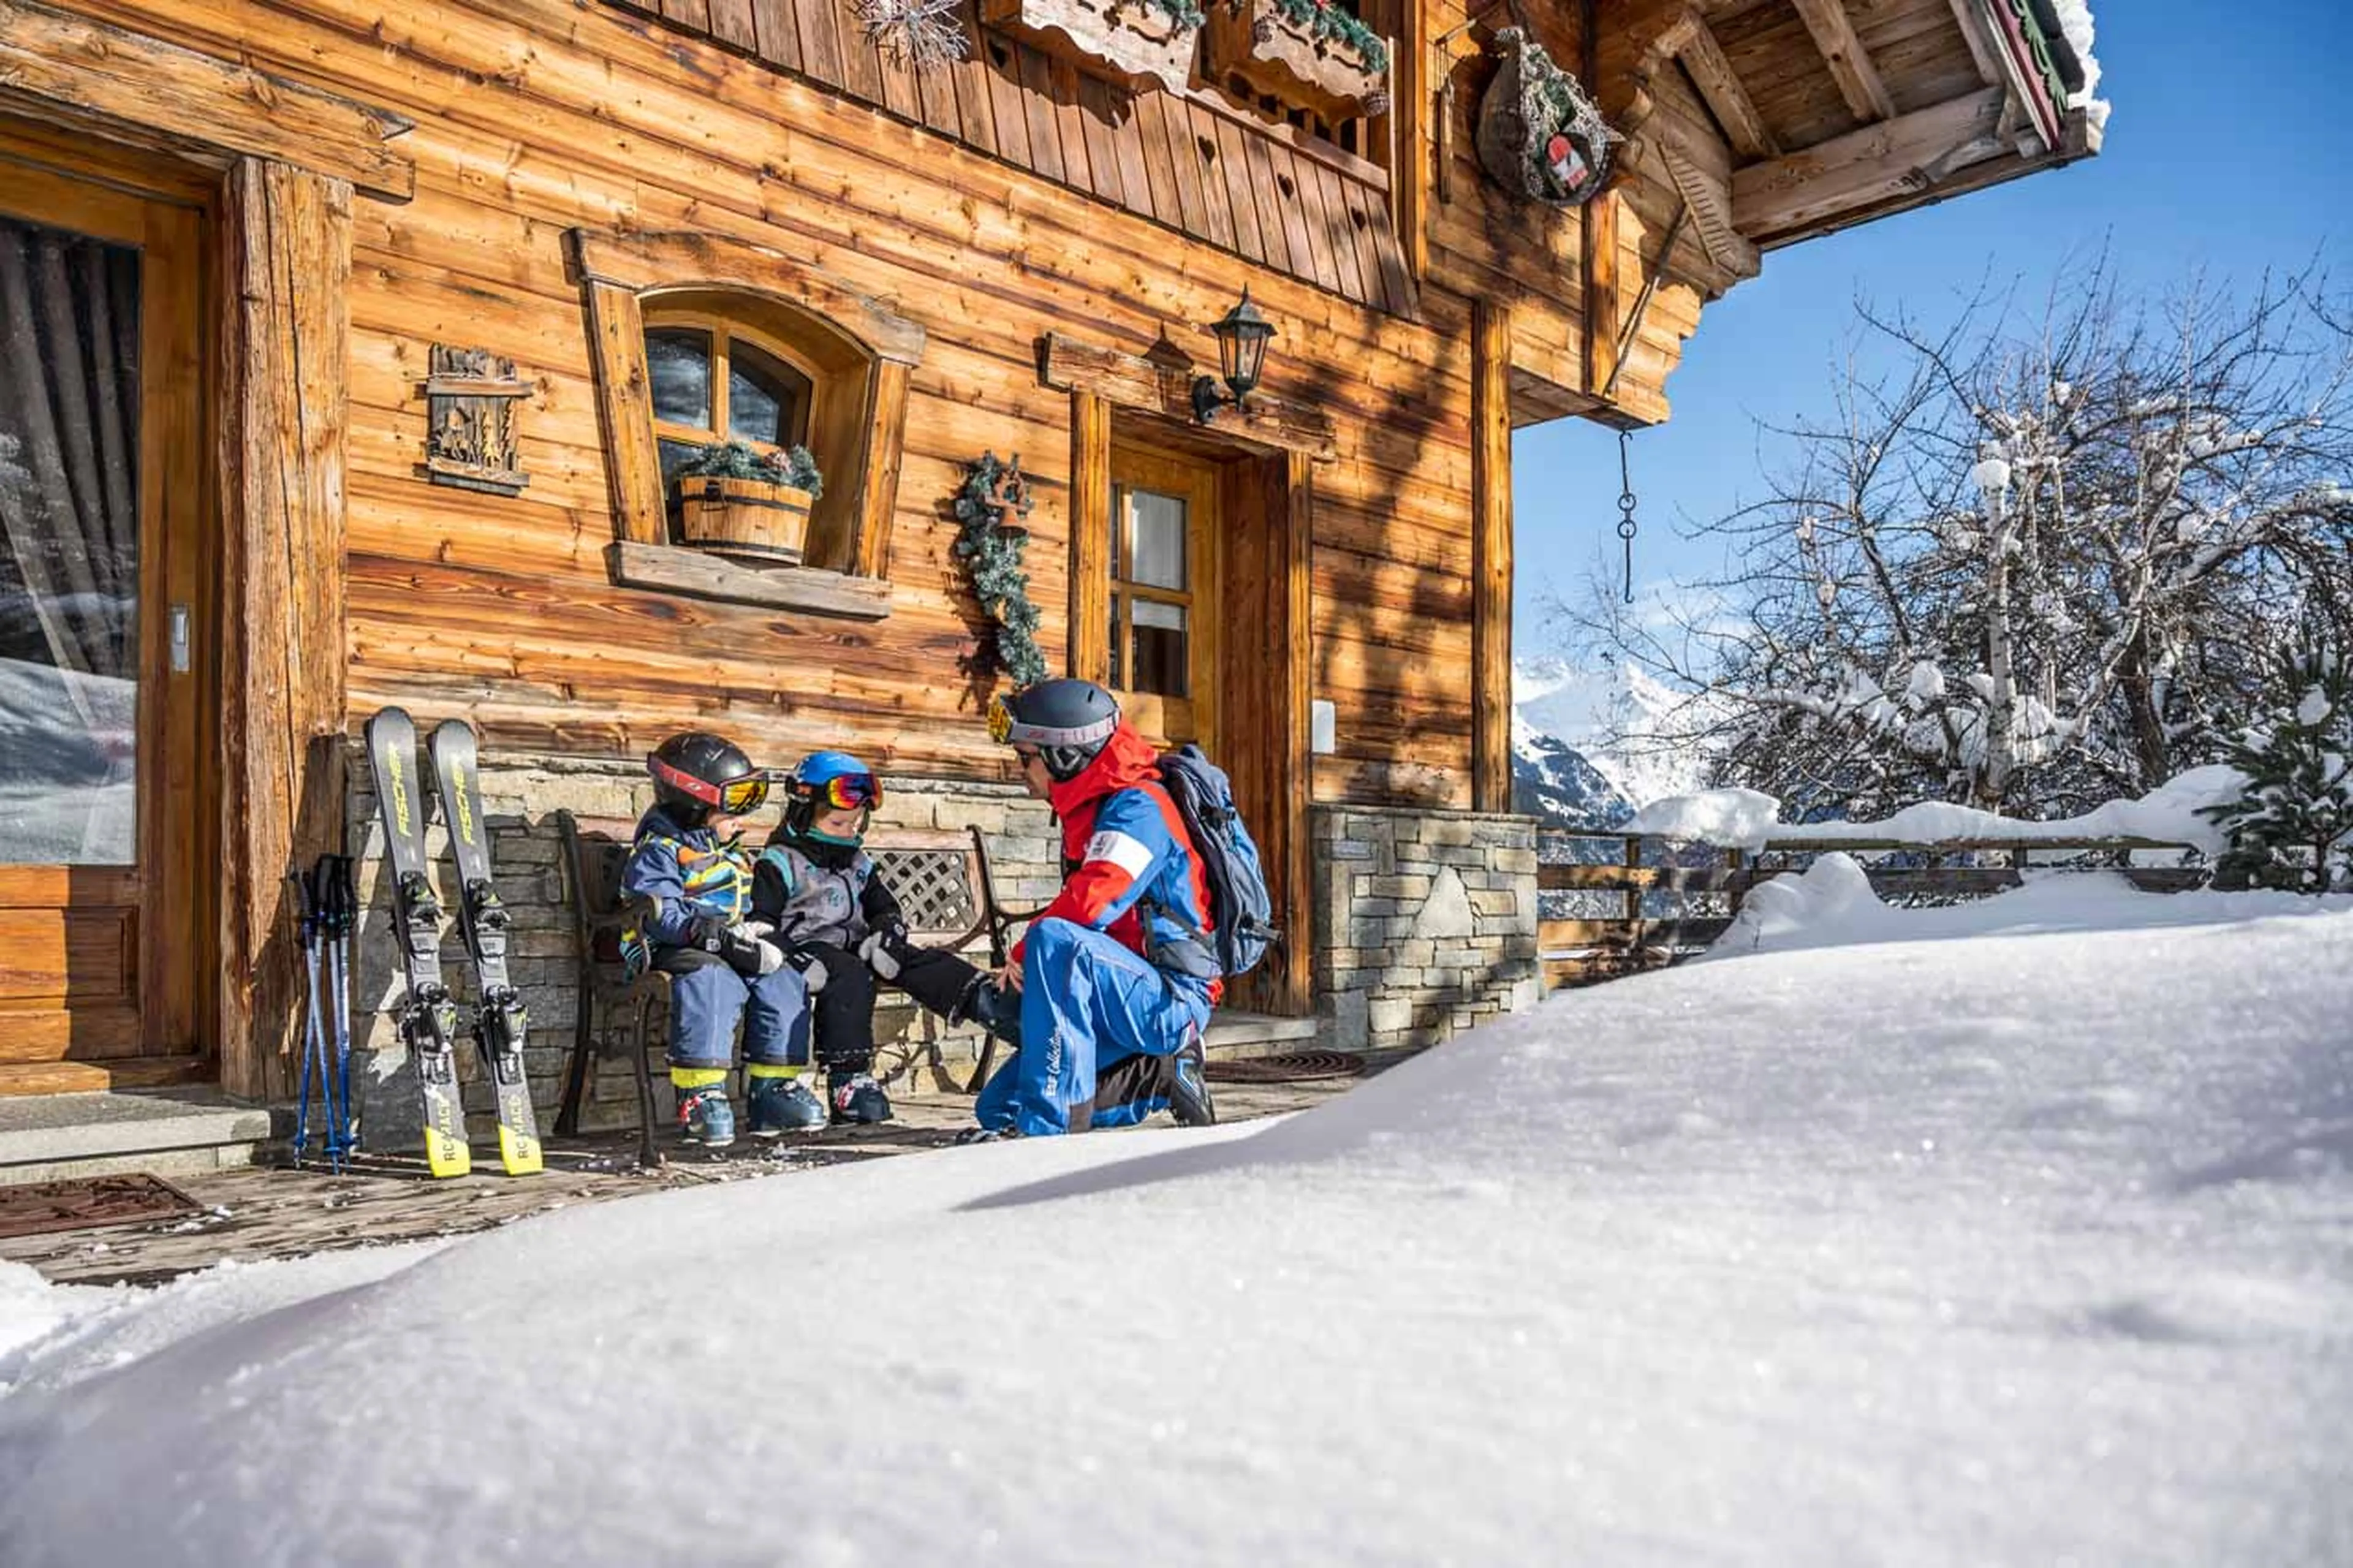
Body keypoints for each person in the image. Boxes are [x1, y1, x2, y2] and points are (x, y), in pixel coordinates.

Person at [944, 678, 1219, 1140]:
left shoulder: (1140, 808)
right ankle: (1163, 1078)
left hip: (1173, 998)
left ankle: (1048, 1132)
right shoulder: (1093, 810)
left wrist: (1023, 950)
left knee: (1056, 939)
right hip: (1122, 991)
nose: (1020, 769)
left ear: (1065, 756)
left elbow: (1097, 898)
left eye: (1026, 757)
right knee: (996, 1108)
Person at [621, 731, 826, 1146]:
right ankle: (700, 1093)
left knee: (782, 976)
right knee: (713, 979)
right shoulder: (659, 850)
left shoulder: (728, 849)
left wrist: (753, 930)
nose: (743, 817)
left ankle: (773, 1090)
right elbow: (660, 911)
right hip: (670, 947)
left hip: (721, 944)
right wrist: (704, 931)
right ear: (693, 802)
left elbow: (741, 903)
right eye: (735, 805)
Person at [749, 751, 900, 1125]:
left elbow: (885, 906)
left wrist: (887, 934)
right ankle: (847, 1076)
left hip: (855, 945)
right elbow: (761, 920)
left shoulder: (858, 862)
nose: (849, 832)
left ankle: (981, 1000)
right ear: (804, 810)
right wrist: (793, 957)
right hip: (807, 947)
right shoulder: (780, 861)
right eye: (838, 822)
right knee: (850, 973)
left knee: (911, 961)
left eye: (855, 824)